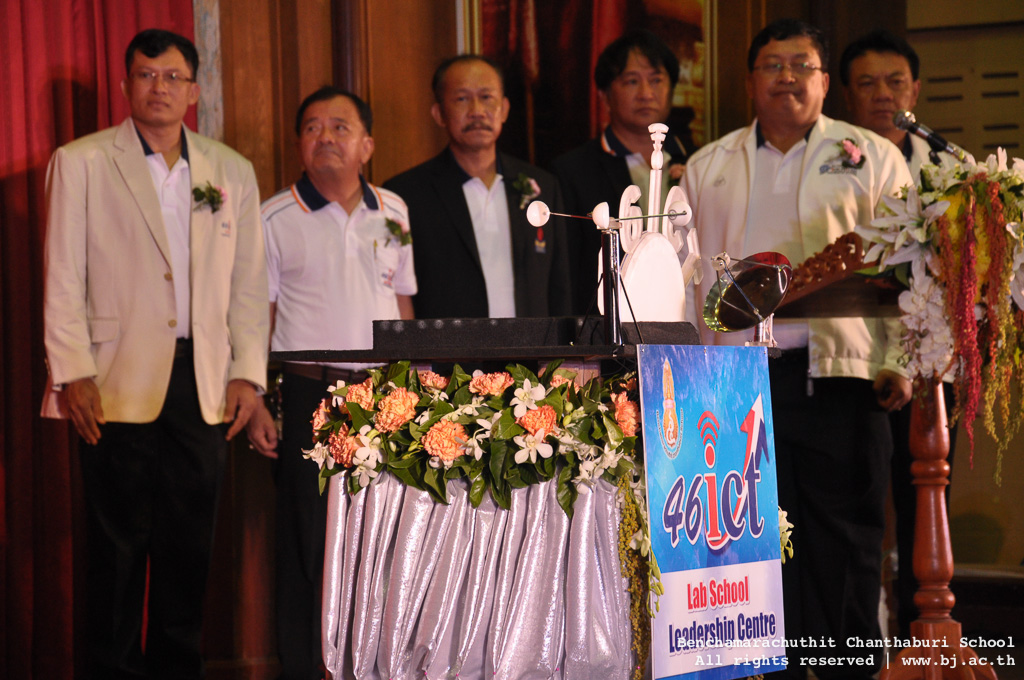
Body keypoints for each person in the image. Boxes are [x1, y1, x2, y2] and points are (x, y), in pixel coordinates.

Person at [682, 19, 913, 678]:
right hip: (735, 386)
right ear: (749, 81)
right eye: (772, 65)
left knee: (847, 546)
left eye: (802, 65)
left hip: (843, 377)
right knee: (748, 546)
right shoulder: (707, 166)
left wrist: (901, 362)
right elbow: (687, 278)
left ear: (824, 80)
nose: (787, 77)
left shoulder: (873, 156)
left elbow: (908, 268)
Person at [40, 29, 268, 679]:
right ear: (125, 85)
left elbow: (249, 285)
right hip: (114, 380)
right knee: (115, 552)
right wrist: (72, 372)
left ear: (193, 90)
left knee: (188, 548)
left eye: (172, 77)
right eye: (146, 75)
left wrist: (247, 374)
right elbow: (62, 276)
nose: (159, 88)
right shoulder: (82, 161)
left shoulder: (231, 170)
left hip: (204, 380)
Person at [246, 86, 416, 680]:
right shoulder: (273, 216)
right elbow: (257, 316)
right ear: (299, 143)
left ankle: (372, 664)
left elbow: (403, 304)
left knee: (381, 538)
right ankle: (302, 666)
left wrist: (415, 390)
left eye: (340, 127)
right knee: (307, 542)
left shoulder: (394, 210)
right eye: (313, 127)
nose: (326, 138)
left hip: (382, 396)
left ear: (367, 144)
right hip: (307, 393)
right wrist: (258, 397)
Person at [840, 29, 959, 638]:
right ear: (845, 94)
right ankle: (860, 645)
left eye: (895, 82)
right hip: (857, 365)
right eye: (867, 83)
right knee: (857, 509)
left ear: (915, 90)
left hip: (932, 365)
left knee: (925, 507)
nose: (882, 94)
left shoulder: (947, 169)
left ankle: (925, 634)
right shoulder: (833, 166)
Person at [384, 55, 571, 319]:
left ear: (504, 109)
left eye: (486, 97)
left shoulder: (542, 186)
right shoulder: (407, 194)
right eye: (462, 99)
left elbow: (559, 286)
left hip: (531, 345)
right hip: (447, 345)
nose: (477, 110)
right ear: (439, 114)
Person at [552, 29, 690, 313]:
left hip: (685, 318)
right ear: (604, 96)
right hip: (609, 323)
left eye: (656, 80)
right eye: (632, 81)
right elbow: (567, 272)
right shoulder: (572, 171)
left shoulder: (696, 162)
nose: (646, 94)